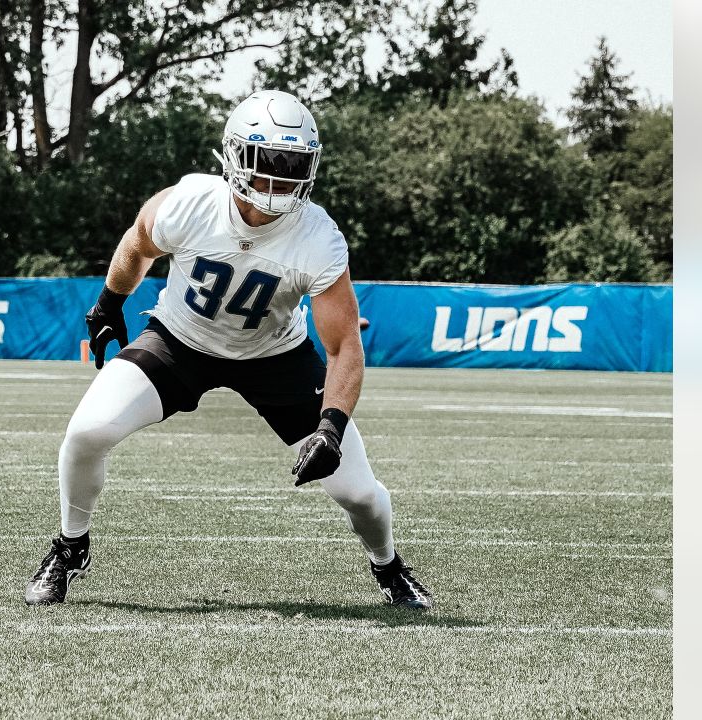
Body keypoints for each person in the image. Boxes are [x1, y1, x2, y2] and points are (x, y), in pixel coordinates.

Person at [24, 90, 433, 610]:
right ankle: (69, 546)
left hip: (276, 356)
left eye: (294, 166)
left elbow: (344, 346)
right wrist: (109, 303)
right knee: (86, 431)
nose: (282, 180)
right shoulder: (190, 202)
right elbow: (137, 243)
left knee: (357, 492)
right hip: (180, 341)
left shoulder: (318, 238)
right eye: (270, 163)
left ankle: (388, 565)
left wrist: (330, 426)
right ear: (236, 157)